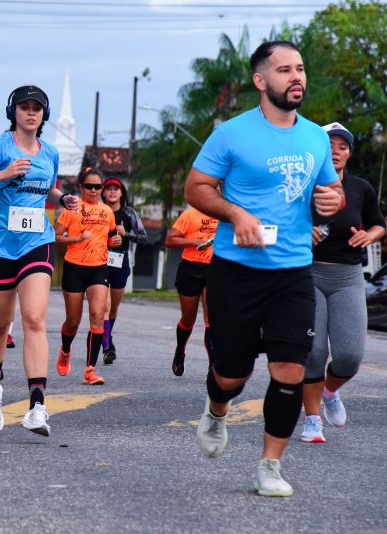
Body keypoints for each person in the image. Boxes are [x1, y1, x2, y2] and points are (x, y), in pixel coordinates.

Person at [184, 41, 344, 497]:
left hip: (293, 271)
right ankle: (217, 409)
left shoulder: (315, 136)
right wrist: (236, 214)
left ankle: (269, 466)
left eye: (300, 68)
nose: (297, 77)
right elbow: (196, 188)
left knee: (290, 369)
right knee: (232, 373)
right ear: (261, 81)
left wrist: (333, 201)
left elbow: (329, 194)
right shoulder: (232, 134)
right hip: (236, 270)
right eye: (284, 70)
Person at [0, 85, 78, 436]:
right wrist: (3, 174)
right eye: (24, 107)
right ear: (13, 112)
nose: (31, 112)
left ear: (44, 115)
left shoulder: (50, 152)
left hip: (36, 242)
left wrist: (63, 197)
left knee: (35, 318)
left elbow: (46, 186)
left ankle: (37, 406)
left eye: (37, 108)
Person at [300, 122, 385, 443]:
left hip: (348, 277)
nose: (335, 151)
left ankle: (329, 392)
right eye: (329, 145)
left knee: (350, 355)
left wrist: (369, 235)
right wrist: (300, 232)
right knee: (314, 352)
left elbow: (378, 224)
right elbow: (278, 219)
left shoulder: (360, 187)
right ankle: (311, 421)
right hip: (307, 274)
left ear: (349, 154)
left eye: (342, 146)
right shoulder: (302, 184)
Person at [54, 167, 114, 385]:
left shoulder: (108, 211)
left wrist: (115, 241)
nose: (94, 190)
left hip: (99, 267)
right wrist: (77, 239)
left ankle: (90, 370)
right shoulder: (72, 208)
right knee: (73, 321)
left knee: (98, 315)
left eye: (98, 186)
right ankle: (65, 350)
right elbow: (56, 237)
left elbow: (112, 236)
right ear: (81, 188)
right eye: (89, 186)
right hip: (74, 267)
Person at [164, 206, 218, 376]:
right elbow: (170, 240)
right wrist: (193, 242)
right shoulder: (190, 214)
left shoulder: (224, 212)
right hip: (191, 268)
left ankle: (213, 366)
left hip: (216, 269)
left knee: (211, 319)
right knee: (188, 319)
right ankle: (180, 351)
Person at [100, 176, 147, 364]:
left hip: (120, 262)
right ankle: (106, 345)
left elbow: (143, 237)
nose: (112, 192)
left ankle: (106, 335)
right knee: (104, 306)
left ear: (121, 193)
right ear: (103, 192)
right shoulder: (99, 211)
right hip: (99, 262)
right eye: (108, 188)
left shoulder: (129, 214)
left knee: (113, 308)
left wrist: (125, 234)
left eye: (116, 189)